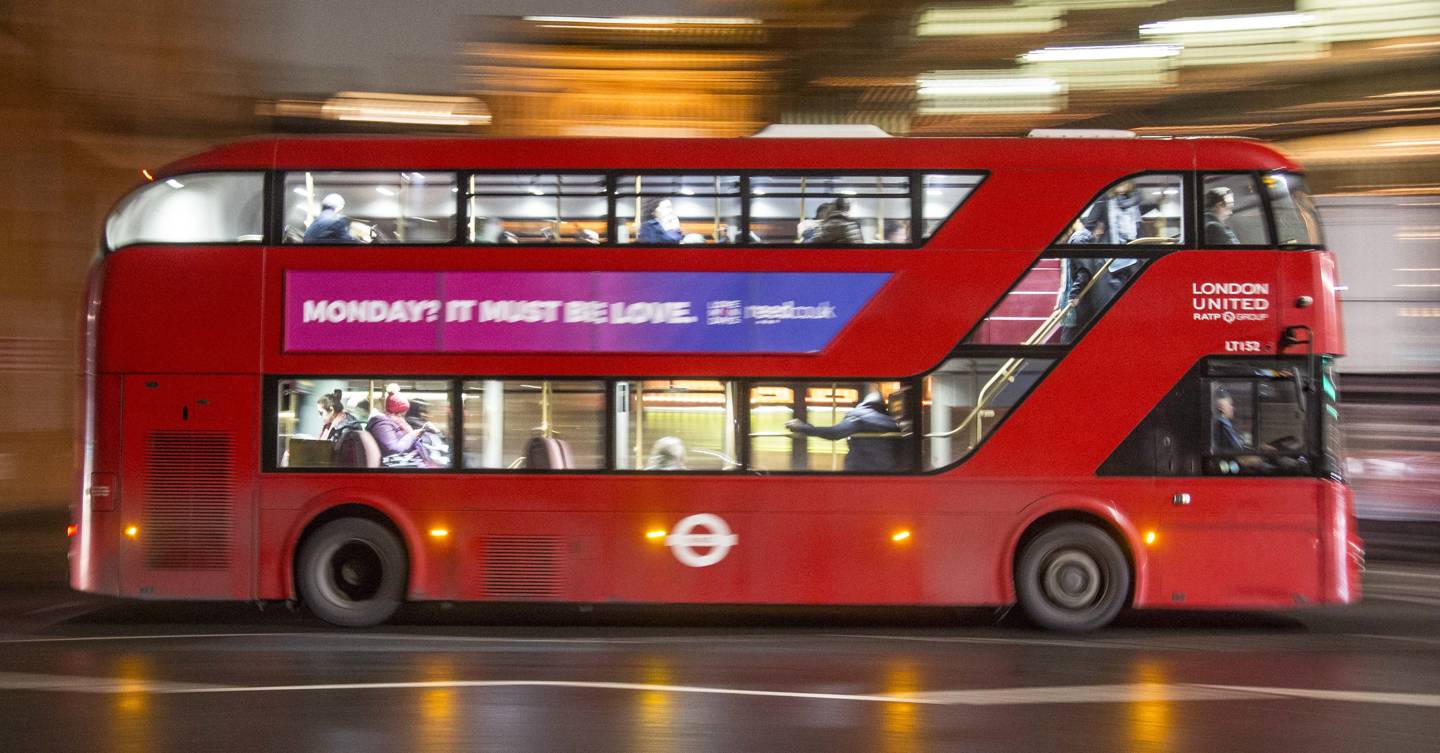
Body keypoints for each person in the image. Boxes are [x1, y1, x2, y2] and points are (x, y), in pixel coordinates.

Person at [784, 391, 901, 471]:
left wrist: (804, 428)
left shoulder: (859, 416)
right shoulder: (891, 422)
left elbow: (835, 432)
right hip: (888, 469)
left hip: (861, 470)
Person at [366, 386, 439, 467]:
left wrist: (422, 430)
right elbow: (394, 449)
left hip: (408, 459)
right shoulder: (382, 425)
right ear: (392, 412)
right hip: (399, 464)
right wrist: (413, 435)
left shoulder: (394, 422)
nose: (402, 417)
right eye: (399, 413)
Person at [1078, 180, 1145, 245]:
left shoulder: (1104, 201)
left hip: (1115, 246)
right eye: (1120, 186)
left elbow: (1089, 223)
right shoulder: (1135, 203)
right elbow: (1089, 223)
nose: (1121, 190)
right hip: (1128, 245)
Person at [316, 389, 366, 467]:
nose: (319, 416)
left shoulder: (347, 429)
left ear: (331, 410)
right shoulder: (332, 426)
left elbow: (343, 460)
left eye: (321, 413)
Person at [1212, 387, 1249, 452]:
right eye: (1230, 405)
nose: (1233, 408)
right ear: (1221, 407)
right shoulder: (1221, 427)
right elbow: (1236, 448)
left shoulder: (1227, 426)